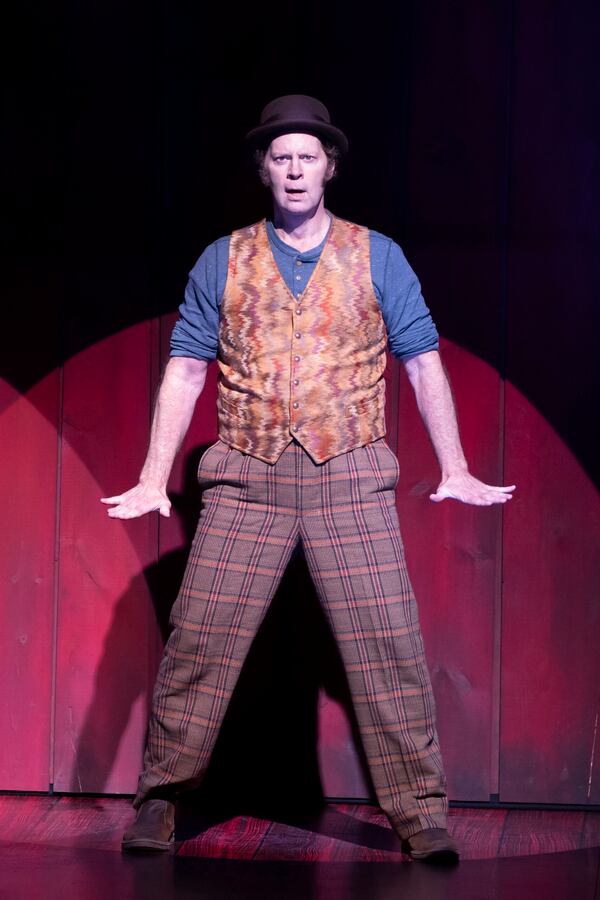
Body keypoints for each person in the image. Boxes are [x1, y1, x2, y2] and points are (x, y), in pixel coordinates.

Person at [102, 95, 515, 863]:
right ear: (265, 170)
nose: (295, 170)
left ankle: (420, 814)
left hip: (350, 474)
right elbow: (186, 368)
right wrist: (156, 476)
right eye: (282, 157)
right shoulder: (223, 258)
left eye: (308, 157)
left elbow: (422, 360)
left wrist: (455, 465)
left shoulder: (378, 255)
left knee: (388, 645)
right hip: (246, 477)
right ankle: (160, 799)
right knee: (200, 641)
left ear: (329, 167)